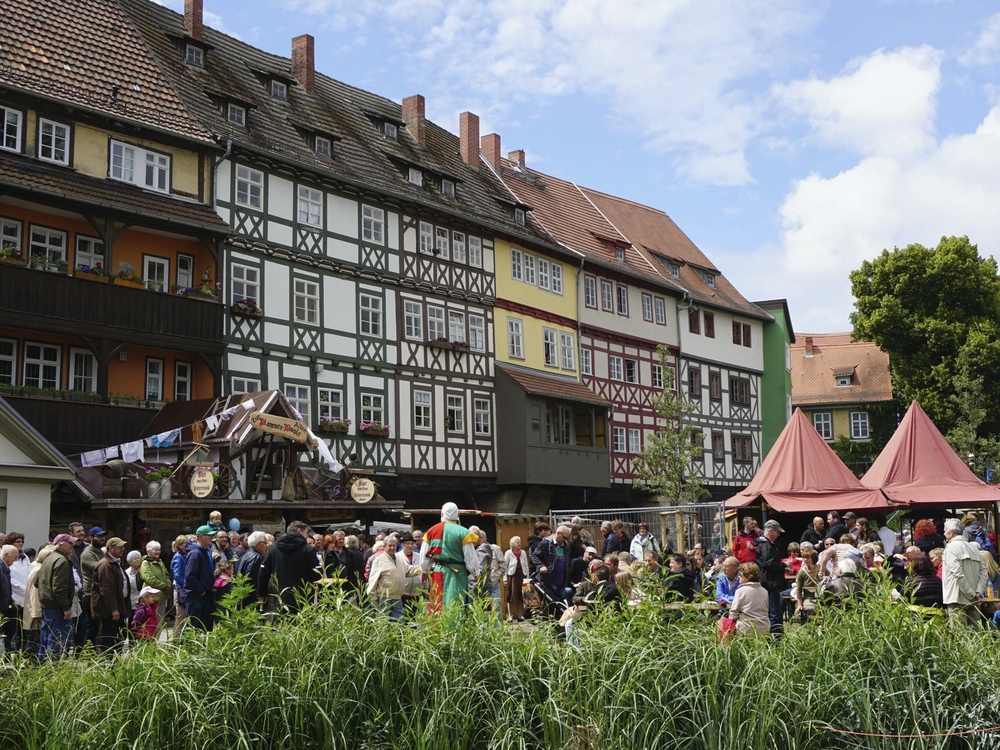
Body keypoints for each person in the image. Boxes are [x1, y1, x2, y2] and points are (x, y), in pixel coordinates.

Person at [422, 503, 480, 614]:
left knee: (438, 603)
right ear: (457, 514)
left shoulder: (431, 531)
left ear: (442, 513)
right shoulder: (463, 532)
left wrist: (424, 570)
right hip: (457, 574)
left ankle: (437, 630)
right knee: (455, 602)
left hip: (438, 571)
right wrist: (475, 573)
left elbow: (424, 555)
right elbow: (470, 557)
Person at [941, 518, 986, 625]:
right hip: (974, 598)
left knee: (960, 637)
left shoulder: (950, 548)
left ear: (951, 533)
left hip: (957, 598)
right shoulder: (974, 548)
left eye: (944, 530)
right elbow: (984, 572)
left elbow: (957, 574)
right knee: (976, 637)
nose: (943, 533)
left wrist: (971, 594)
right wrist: (978, 592)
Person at [37, 535, 75, 660]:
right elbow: (59, 589)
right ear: (61, 544)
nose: (72, 546)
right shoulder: (61, 561)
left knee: (45, 639)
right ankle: (53, 672)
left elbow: (36, 581)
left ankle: (41, 669)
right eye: (70, 543)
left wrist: (46, 590)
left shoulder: (49, 558)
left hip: (46, 606)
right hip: (56, 607)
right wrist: (66, 608)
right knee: (56, 640)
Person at [367, 536, 422, 621]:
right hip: (384, 598)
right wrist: (373, 599)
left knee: (400, 623)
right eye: (389, 545)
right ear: (384, 546)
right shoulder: (379, 560)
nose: (392, 548)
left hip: (397, 598)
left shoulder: (399, 559)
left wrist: (423, 569)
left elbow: (408, 570)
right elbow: (373, 581)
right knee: (383, 623)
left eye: (394, 545)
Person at [91, 537, 130, 654]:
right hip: (109, 611)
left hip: (118, 607)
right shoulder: (105, 564)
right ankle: (108, 665)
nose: (122, 549)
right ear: (110, 549)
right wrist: (114, 609)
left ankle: (115, 665)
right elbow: (107, 590)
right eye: (119, 547)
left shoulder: (116, 562)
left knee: (120, 637)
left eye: (123, 547)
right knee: (109, 640)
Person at [754, 519, 786, 637]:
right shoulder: (766, 545)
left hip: (767, 582)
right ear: (771, 530)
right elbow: (769, 563)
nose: (778, 534)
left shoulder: (763, 544)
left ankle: (771, 637)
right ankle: (776, 639)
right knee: (775, 613)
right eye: (777, 531)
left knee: (770, 612)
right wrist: (784, 565)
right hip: (771, 584)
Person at [531, 525, 574, 611]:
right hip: (549, 581)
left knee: (565, 597)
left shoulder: (566, 546)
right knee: (552, 605)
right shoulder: (546, 543)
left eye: (567, 538)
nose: (566, 540)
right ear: (558, 534)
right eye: (565, 538)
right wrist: (541, 566)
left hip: (562, 581)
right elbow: (535, 556)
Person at [184, 526, 216, 631]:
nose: (212, 537)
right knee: (194, 627)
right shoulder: (195, 553)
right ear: (201, 537)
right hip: (197, 597)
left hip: (206, 596)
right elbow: (190, 576)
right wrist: (201, 591)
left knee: (206, 627)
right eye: (209, 535)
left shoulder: (206, 551)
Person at [78, 526, 106, 648]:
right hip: (90, 594)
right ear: (90, 538)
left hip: (101, 593)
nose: (102, 538)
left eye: (103, 536)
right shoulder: (87, 554)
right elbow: (102, 569)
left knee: (98, 626)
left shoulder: (102, 553)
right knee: (91, 625)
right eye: (99, 536)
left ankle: (95, 650)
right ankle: (87, 652)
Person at [728, 563, 770, 636]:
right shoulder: (764, 591)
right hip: (764, 628)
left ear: (748, 577)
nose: (738, 577)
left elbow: (733, 613)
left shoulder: (740, 591)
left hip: (746, 628)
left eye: (740, 575)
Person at [233, 531, 269, 609]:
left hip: (242, 597)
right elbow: (252, 581)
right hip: (251, 601)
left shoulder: (244, 556)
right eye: (266, 543)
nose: (267, 546)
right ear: (259, 544)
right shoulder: (257, 558)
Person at [139, 541, 171, 616]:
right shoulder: (145, 563)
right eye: (155, 550)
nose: (158, 552)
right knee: (152, 618)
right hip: (151, 596)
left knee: (160, 618)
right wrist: (165, 586)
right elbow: (149, 579)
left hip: (162, 594)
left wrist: (168, 584)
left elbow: (166, 574)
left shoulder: (160, 561)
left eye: (159, 550)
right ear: (148, 551)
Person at [503, 536, 530, 621]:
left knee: (521, 596)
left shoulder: (523, 552)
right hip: (512, 576)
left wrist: (528, 578)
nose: (519, 544)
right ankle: (510, 616)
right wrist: (505, 579)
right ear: (512, 544)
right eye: (517, 542)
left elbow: (526, 565)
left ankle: (519, 616)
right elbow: (504, 567)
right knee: (511, 597)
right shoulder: (508, 553)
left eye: (520, 542)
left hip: (522, 576)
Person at [794, 548, 821, 621]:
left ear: (814, 559)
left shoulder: (822, 569)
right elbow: (799, 590)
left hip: (821, 597)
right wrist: (799, 605)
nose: (805, 560)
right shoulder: (802, 572)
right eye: (804, 558)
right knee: (809, 609)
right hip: (809, 597)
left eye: (808, 558)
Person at [170, 535, 189, 638]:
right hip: (180, 589)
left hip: (184, 588)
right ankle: (176, 639)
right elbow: (177, 575)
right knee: (180, 616)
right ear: (179, 545)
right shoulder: (179, 556)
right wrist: (182, 588)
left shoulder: (185, 555)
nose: (186, 545)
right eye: (184, 543)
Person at [0, 544, 16, 654]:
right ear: (6, 555)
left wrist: (11, 601)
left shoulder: (5, 567)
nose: (16, 560)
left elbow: (6, 588)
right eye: (14, 556)